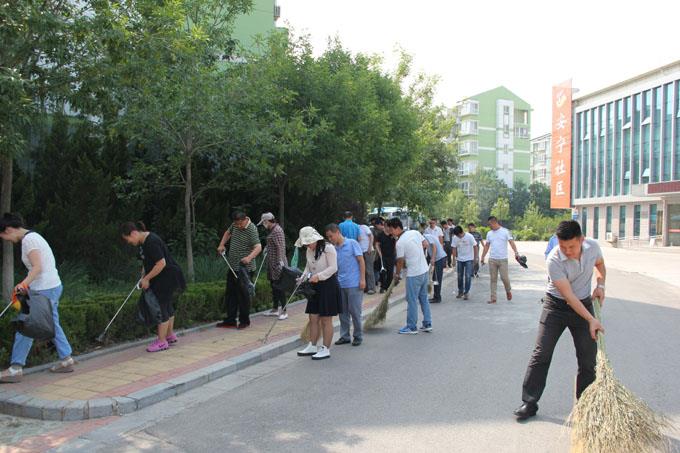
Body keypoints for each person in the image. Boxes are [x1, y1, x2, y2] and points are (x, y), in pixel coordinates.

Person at [514, 220, 606, 420]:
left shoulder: (593, 248)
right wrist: (591, 319)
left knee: (588, 359)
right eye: (563, 247)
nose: (567, 251)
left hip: (583, 304)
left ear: (581, 240)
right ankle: (529, 402)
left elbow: (600, 265)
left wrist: (600, 285)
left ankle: (585, 406)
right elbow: (569, 297)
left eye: (572, 246)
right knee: (541, 354)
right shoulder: (554, 260)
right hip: (555, 307)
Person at [0, 213, 75, 382]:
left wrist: (23, 284)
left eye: (3, 236)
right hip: (50, 286)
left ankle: (15, 369)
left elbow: (37, 267)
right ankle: (66, 360)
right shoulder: (33, 237)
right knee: (51, 323)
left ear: (9, 229)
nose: (6, 240)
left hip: (45, 288)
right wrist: (27, 284)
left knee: (26, 325)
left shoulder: (29, 240)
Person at [121, 221, 187, 352]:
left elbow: (161, 263)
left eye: (128, 239)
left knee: (161, 307)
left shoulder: (151, 242)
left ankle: (162, 342)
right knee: (167, 305)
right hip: (166, 276)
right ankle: (169, 335)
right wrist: (143, 276)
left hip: (167, 277)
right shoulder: (143, 243)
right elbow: (147, 262)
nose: (129, 242)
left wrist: (147, 279)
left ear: (133, 233)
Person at [295, 227, 342, 360]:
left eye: (308, 242)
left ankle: (325, 348)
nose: (307, 245)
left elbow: (333, 268)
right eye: (305, 243)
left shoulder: (328, 248)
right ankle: (312, 345)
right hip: (315, 286)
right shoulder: (309, 250)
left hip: (328, 285)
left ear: (315, 239)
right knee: (313, 318)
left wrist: (319, 276)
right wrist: (302, 278)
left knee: (326, 319)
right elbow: (308, 268)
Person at [216, 211, 262, 329]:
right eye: (236, 224)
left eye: (240, 224)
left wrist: (249, 257)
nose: (238, 226)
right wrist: (222, 244)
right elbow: (228, 232)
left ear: (245, 219)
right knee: (230, 294)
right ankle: (230, 320)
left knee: (243, 295)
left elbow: (258, 247)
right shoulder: (234, 225)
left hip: (245, 269)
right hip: (233, 266)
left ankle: (244, 321)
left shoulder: (251, 229)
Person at [388, 218, 432, 334]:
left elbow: (400, 262)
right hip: (424, 270)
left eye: (391, 230)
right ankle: (427, 323)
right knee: (424, 298)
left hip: (414, 274)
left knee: (412, 300)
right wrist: (416, 252)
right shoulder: (415, 232)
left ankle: (411, 327)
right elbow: (426, 244)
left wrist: (397, 275)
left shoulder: (400, 243)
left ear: (397, 228)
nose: (391, 233)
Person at [325, 224, 365, 346]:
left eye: (331, 236)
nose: (330, 239)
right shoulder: (333, 249)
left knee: (355, 311)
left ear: (337, 232)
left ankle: (358, 336)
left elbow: (361, 261)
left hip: (354, 284)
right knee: (342, 312)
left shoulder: (352, 243)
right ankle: (345, 336)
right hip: (340, 284)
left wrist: (362, 279)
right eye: (328, 237)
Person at [480, 216, 521, 304]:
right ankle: (493, 298)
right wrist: (482, 257)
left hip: (503, 259)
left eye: (489, 224)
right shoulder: (489, 233)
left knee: (504, 278)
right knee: (493, 279)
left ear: (494, 222)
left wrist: (516, 252)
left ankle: (508, 290)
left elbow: (511, 242)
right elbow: (487, 246)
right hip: (492, 259)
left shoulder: (505, 231)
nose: (489, 226)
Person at [259, 213, 289, 320]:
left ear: (267, 221)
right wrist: (267, 248)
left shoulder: (277, 230)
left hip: (277, 264)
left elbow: (280, 247)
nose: (263, 225)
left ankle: (284, 311)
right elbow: (272, 244)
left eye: (263, 222)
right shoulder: (272, 230)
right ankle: (275, 309)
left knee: (280, 287)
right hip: (272, 264)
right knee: (274, 287)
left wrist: (280, 262)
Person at [451, 226, 478, 300]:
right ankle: (460, 291)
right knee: (459, 276)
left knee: (468, 276)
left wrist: (475, 258)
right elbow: (454, 248)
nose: (458, 237)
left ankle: (466, 292)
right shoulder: (455, 238)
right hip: (460, 259)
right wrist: (454, 259)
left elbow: (475, 246)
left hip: (469, 259)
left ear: (461, 232)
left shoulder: (469, 236)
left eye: (458, 235)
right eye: (456, 235)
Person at [423, 231, 447, 303]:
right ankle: (436, 296)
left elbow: (434, 246)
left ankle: (437, 297)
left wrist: (433, 258)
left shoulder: (427, 237)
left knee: (437, 279)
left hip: (439, 258)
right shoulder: (426, 237)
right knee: (434, 278)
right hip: (437, 258)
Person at [374, 218, 396, 294]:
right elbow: (377, 244)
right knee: (383, 272)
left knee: (390, 273)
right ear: (385, 226)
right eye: (388, 226)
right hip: (383, 256)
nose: (389, 228)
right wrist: (379, 253)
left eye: (390, 227)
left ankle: (388, 288)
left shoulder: (392, 234)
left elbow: (397, 242)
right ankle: (383, 287)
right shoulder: (380, 235)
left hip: (391, 256)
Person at [358, 222, 376, 295]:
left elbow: (371, 236)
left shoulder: (363, 226)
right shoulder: (355, 229)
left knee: (369, 270)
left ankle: (372, 288)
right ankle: (366, 287)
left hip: (368, 251)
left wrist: (370, 247)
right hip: (361, 251)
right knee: (363, 270)